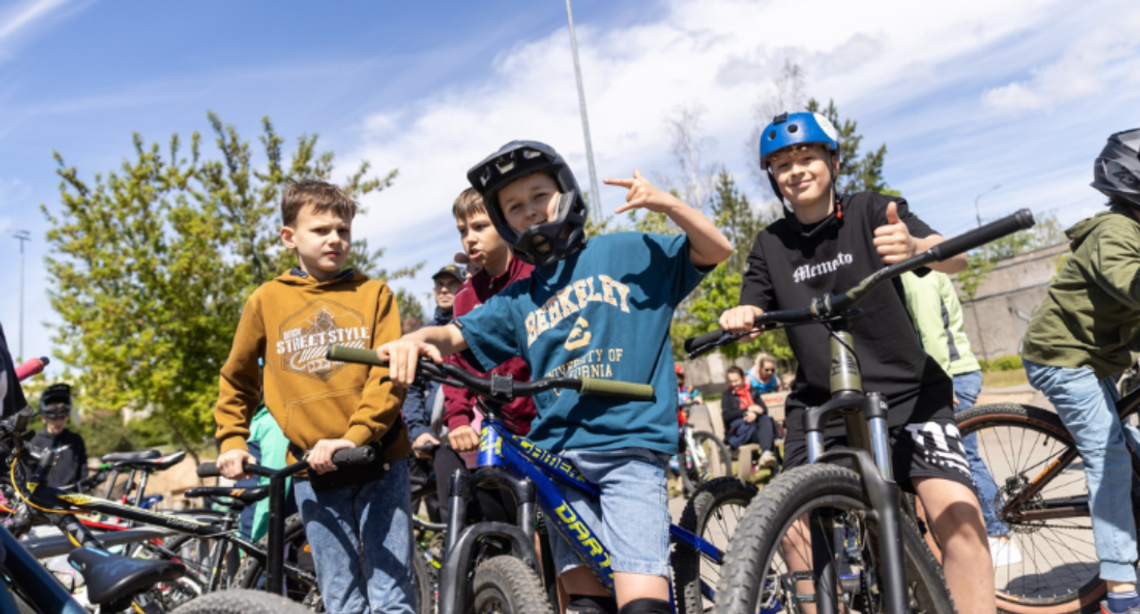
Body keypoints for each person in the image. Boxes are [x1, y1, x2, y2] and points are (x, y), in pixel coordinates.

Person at [379, 140, 732, 614]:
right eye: (514, 207)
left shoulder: (625, 251)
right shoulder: (520, 297)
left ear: (565, 193)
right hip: (560, 460)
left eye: (538, 195)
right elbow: (453, 333)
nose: (529, 211)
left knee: (640, 604)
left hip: (627, 445)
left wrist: (665, 203)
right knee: (587, 604)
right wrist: (414, 340)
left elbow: (716, 249)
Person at [718, 111, 995, 611]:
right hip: (822, 403)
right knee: (793, 527)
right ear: (772, 178)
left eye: (807, 157)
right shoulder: (769, 244)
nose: (796, 170)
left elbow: (954, 257)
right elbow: (753, 302)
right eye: (782, 164)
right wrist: (743, 313)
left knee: (959, 519)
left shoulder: (874, 209)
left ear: (833, 161)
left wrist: (914, 247)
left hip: (908, 391)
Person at [213, 180, 415, 614]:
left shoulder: (375, 293)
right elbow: (237, 379)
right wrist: (231, 440)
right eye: (321, 230)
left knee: (390, 594)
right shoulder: (266, 300)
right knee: (341, 597)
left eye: (343, 230)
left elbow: (389, 379)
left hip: (379, 459)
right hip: (309, 469)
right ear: (290, 237)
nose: (335, 240)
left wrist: (355, 436)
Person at [1020, 128, 1140, 614]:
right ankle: (1120, 589)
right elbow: (1132, 285)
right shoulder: (1113, 233)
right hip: (1062, 356)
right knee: (1110, 457)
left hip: (1101, 356)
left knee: (1129, 453)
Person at [901, 270, 1021, 567]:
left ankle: (999, 534)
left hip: (951, 373)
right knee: (961, 455)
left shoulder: (916, 276)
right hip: (956, 371)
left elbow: (932, 334)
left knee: (964, 456)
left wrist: (939, 383)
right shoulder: (926, 271)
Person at [435, 187, 536, 525]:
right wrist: (459, 419)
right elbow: (456, 366)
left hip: (545, 427)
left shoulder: (536, 277)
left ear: (506, 224)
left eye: (480, 227)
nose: (470, 239)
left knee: (552, 536)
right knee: (505, 529)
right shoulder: (464, 297)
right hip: (496, 430)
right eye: (463, 231)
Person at [402, 262, 464, 524]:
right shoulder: (421, 335)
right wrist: (417, 430)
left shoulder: (471, 325)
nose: (445, 290)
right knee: (433, 513)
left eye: (452, 284)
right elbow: (412, 388)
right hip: (429, 438)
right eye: (440, 285)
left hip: (464, 435)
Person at [29, 384, 88, 489]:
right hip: (44, 497)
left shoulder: (75, 440)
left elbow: (83, 472)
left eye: (62, 418)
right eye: (54, 419)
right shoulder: (35, 442)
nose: (59, 422)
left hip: (71, 496)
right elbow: (29, 473)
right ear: (44, 418)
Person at [721, 366, 778, 468]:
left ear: (743, 378)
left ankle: (766, 454)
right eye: (730, 381)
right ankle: (774, 468)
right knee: (768, 432)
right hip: (741, 432)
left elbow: (763, 410)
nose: (733, 384)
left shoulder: (752, 391)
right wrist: (747, 411)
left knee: (766, 422)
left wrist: (755, 415)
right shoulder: (727, 395)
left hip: (756, 428)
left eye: (736, 381)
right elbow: (727, 416)